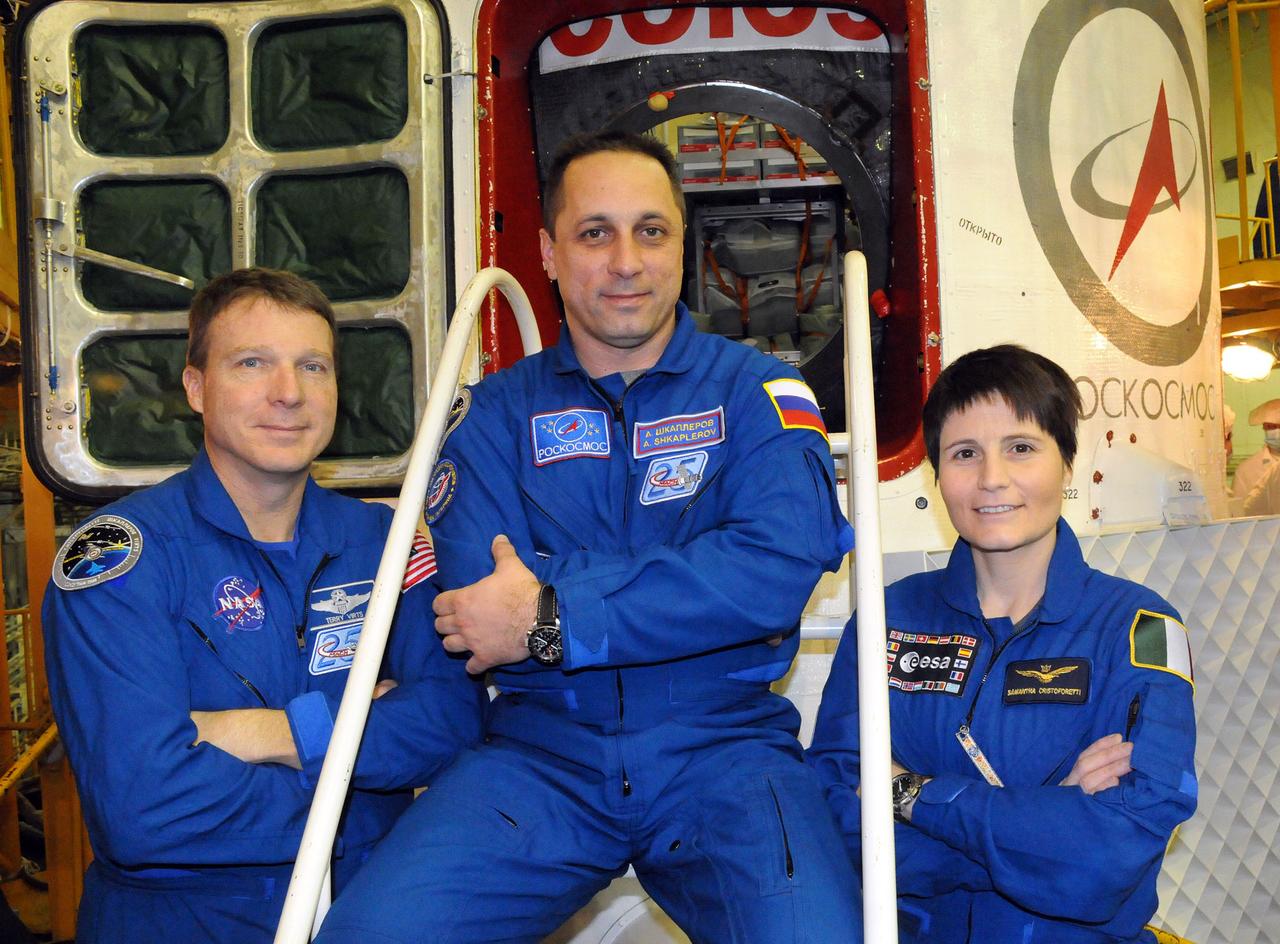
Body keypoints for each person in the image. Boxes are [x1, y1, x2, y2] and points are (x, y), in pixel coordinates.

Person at [314, 131, 862, 943]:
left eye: (651, 230)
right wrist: (688, 576)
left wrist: (552, 612)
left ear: (684, 242)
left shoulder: (758, 393)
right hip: (540, 759)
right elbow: (477, 596)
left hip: (724, 752)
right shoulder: (493, 413)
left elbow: (770, 569)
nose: (626, 261)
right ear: (548, 251)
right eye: (595, 232)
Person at [42, 268, 486, 944]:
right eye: (253, 363)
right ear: (195, 386)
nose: (289, 394)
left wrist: (271, 732)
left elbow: (453, 726)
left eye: (313, 366)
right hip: (181, 922)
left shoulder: (385, 545)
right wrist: (363, 789)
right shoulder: (119, 562)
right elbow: (143, 807)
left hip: (365, 913)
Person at [808, 345, 1197, 943]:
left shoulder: (1139, 625)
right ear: (937, 476)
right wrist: (1036, 831)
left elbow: (1105, 860)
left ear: (1066, 464)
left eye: (1021, 447)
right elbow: (834, 817)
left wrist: (911, 794)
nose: (992, 478)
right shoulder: (888, 618)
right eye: (965, 454)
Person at [1230, 398, 1280, 499]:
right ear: (1264, 427)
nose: (1278, 431)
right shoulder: (1246, 471)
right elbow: (1239, 511)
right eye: (1271, 426)